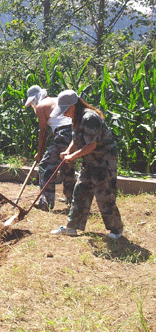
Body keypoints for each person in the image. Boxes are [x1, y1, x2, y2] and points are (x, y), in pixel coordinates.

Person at [50, 90, 124, 240]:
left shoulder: (89, 118)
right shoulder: (77, 118)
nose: (64, 114)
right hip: (90, 160)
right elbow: (76, 139)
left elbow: (91, 145)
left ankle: (116, 230)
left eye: (65, 110)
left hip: (104, 160)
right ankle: (72, 227)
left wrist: (73, 156)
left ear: (74, 105)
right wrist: (68, 151)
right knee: (80, 191)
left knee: (104, 194)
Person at [24, 85, 76, 210]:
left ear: (36, 98)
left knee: (45, 166)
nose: (33, 105)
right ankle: (72, 200)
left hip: (63, 134)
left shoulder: (40, 107)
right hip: (75, 133)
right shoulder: (56, 99)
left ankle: (46, 202)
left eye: (32, 102)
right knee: (67, 165)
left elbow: (42, 132)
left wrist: (39, 153)